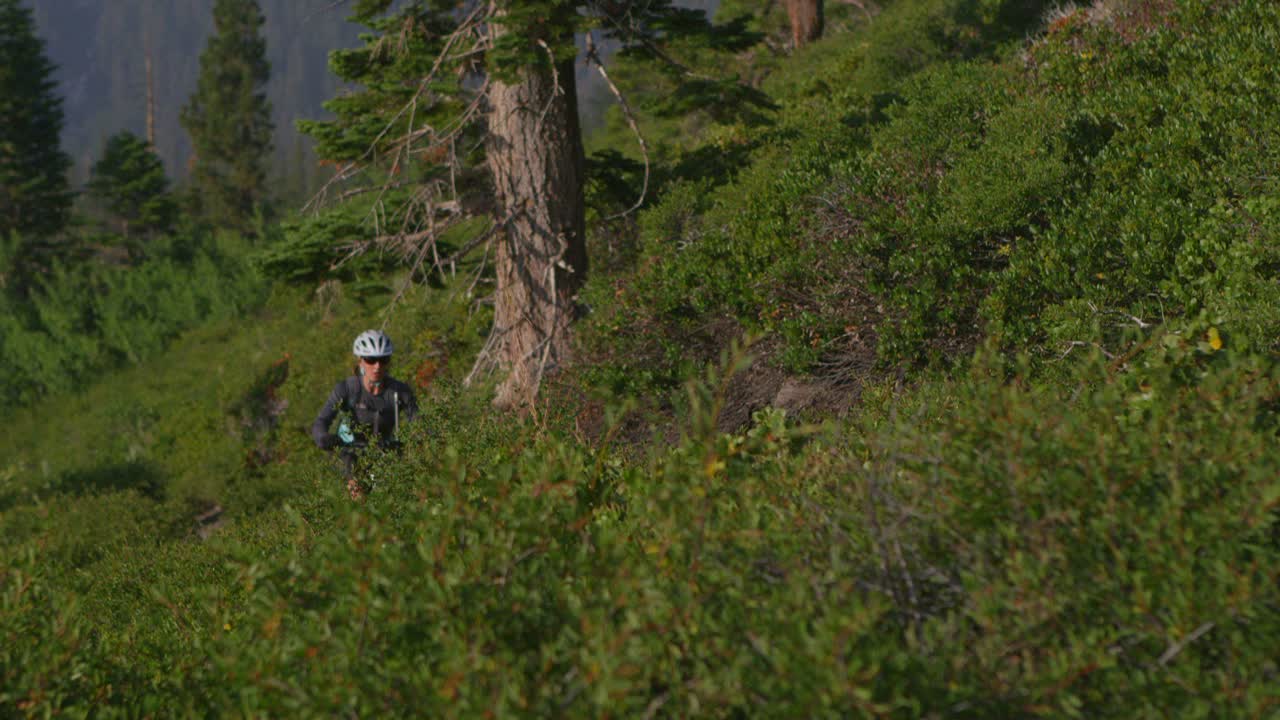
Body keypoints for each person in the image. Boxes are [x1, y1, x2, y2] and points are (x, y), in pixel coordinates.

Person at [312, 329, 418, 499]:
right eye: (370, 360)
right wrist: (323, 438)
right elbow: (322, 420)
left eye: (383, 360)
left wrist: (416, 442)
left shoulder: (400, 392)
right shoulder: (347, 389)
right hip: (350, 452)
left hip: (386, 453)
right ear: (360, 360)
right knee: (355, 484)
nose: (377, 366)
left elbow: (419, 424)